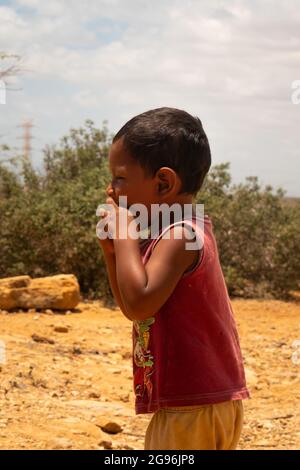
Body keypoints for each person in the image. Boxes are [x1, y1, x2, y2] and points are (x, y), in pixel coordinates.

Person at [97, 107, 249, 450]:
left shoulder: (181, 235)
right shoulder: (176, 231)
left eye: (119, 177)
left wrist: (123, 236)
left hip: (194, 408)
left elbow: (139, 301)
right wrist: (113, 254)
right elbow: (135, 308)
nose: (110, 189)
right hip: (196, 405)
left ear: (163, 182)